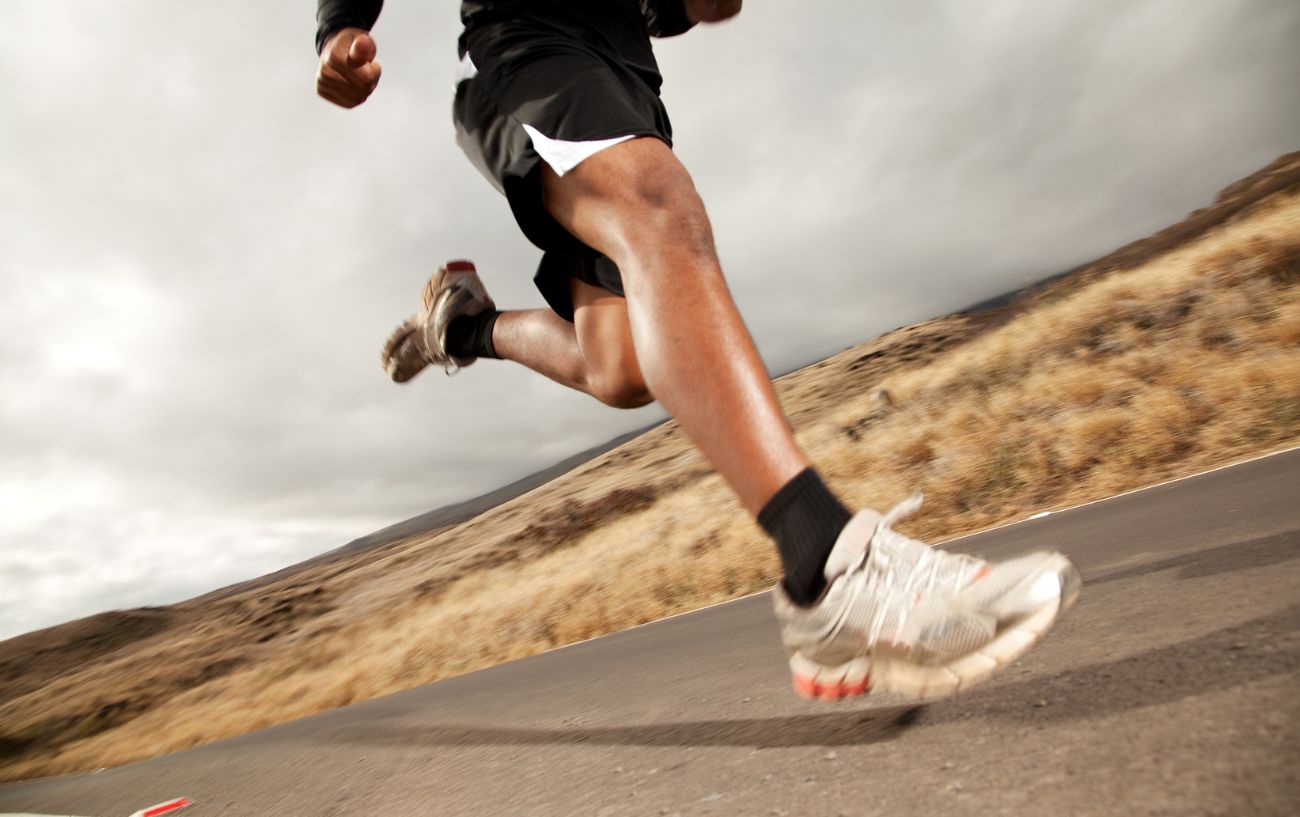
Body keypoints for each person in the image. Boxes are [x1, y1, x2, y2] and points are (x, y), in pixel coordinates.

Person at [314, 0, 1080, 700]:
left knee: (622, 369)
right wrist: (340, 23)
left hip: (624, 83)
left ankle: (466, 327)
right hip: (529, 49)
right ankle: (827, 565)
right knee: (658, 206)